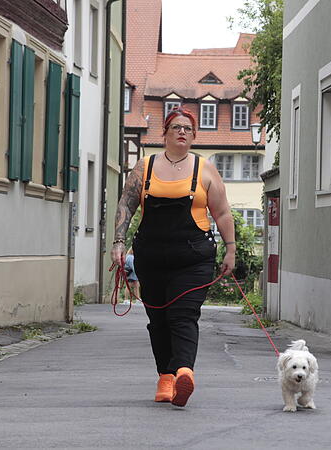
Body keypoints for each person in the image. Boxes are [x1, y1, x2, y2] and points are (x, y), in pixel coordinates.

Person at [110, 107, 235, 407]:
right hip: (151, 258)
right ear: (164, 133)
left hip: (193, 259)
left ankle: (183, 372)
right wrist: (118, 242)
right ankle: (165, 377)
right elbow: (126, 206)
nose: (182, 132)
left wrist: (230, 249)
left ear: (194, 136)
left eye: (188, 129)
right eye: (176, 127)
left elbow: (222, 212)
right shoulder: (145, 167)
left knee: (183, 315)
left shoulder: (204, 169)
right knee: (158, 320)